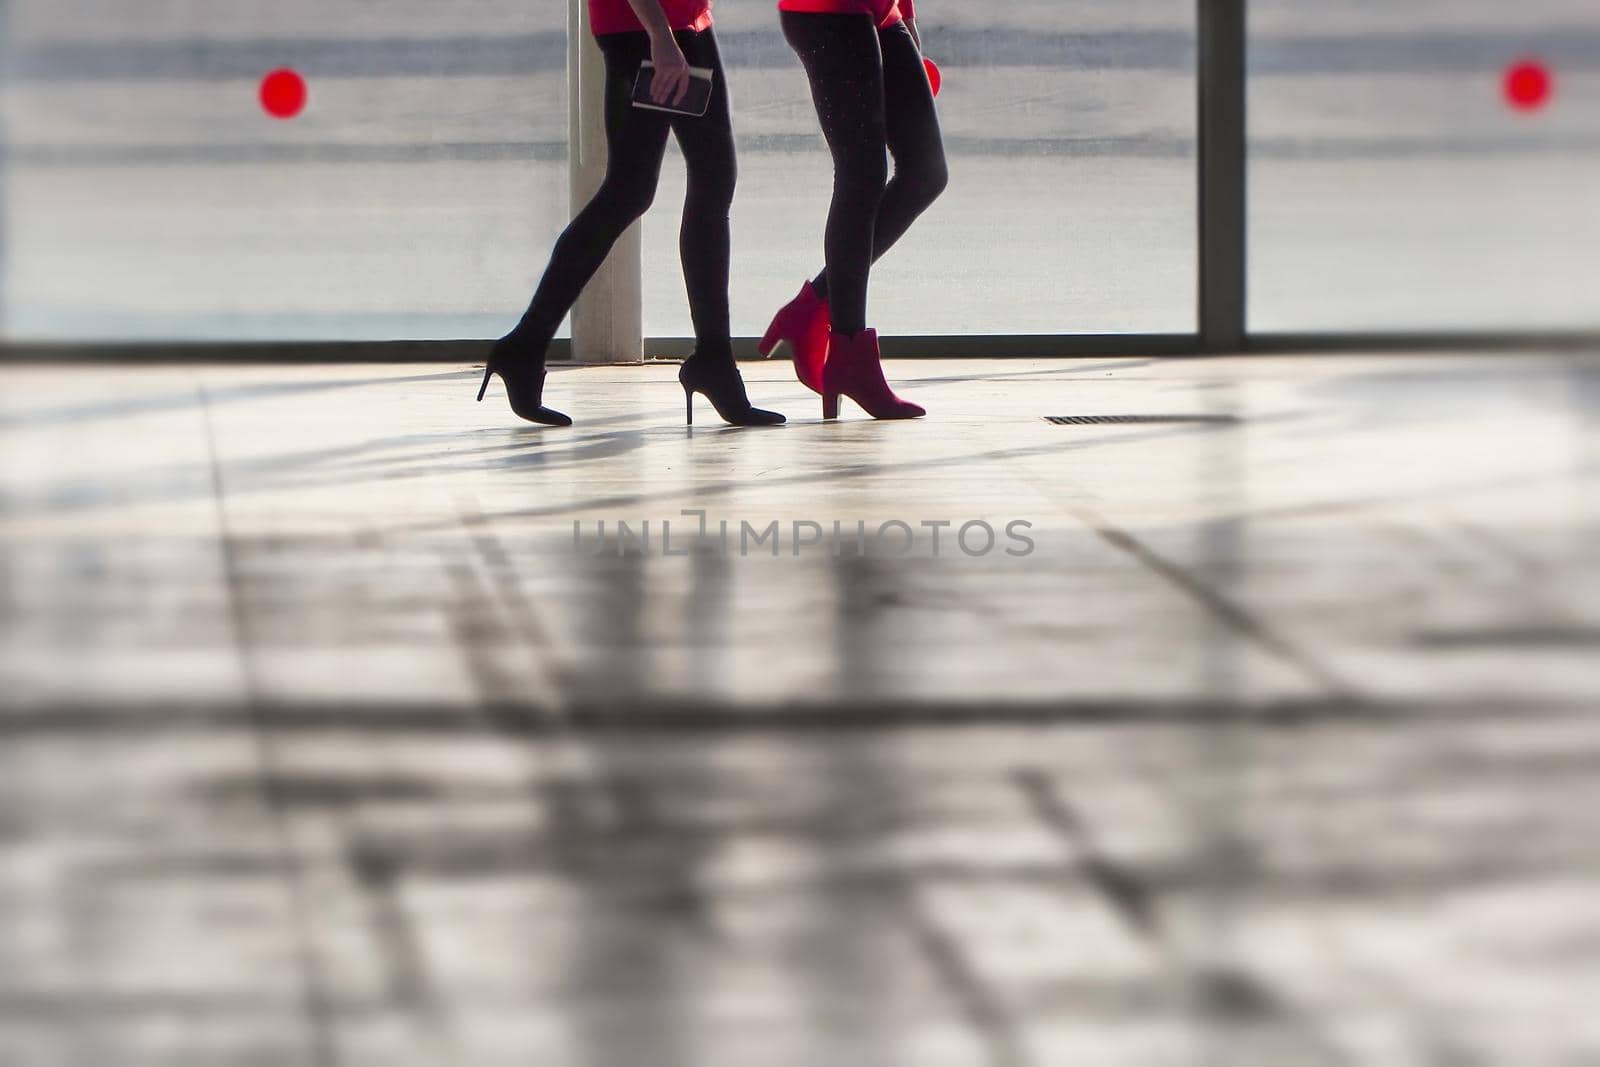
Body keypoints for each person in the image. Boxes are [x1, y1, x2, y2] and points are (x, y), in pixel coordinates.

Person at [478, 0, 784, 427]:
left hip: (678, 23)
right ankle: (712, 361)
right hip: (653, 29)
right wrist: (660, 35)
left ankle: (524, 350)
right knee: (658, 187)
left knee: (645, 188)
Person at [758, 0, 946, 420]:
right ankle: (848, 351)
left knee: (926, 172)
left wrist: (908, 16)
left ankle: (814, 307)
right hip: (829, 10)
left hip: (881, 11)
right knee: (862, 173)